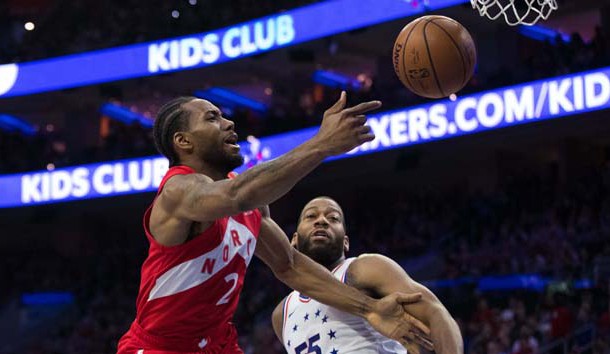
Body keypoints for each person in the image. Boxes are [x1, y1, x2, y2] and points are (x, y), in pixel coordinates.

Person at [117, 92, 432, 354]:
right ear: (183, 142)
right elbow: (237, 195)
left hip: (217, 344)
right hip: (160, 347)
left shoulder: (250, 204)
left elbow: (290, 265)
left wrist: (370, 308)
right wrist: (321, 144)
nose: (228, 123)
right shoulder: (177, 191)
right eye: (212, 118)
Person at [272, 196, 464, 354]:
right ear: (294, 240)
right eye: (311, 216)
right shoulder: (281, 315)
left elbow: (436, 313)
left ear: (346, 242)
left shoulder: (364, 269)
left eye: (333, 218)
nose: (321, 220)